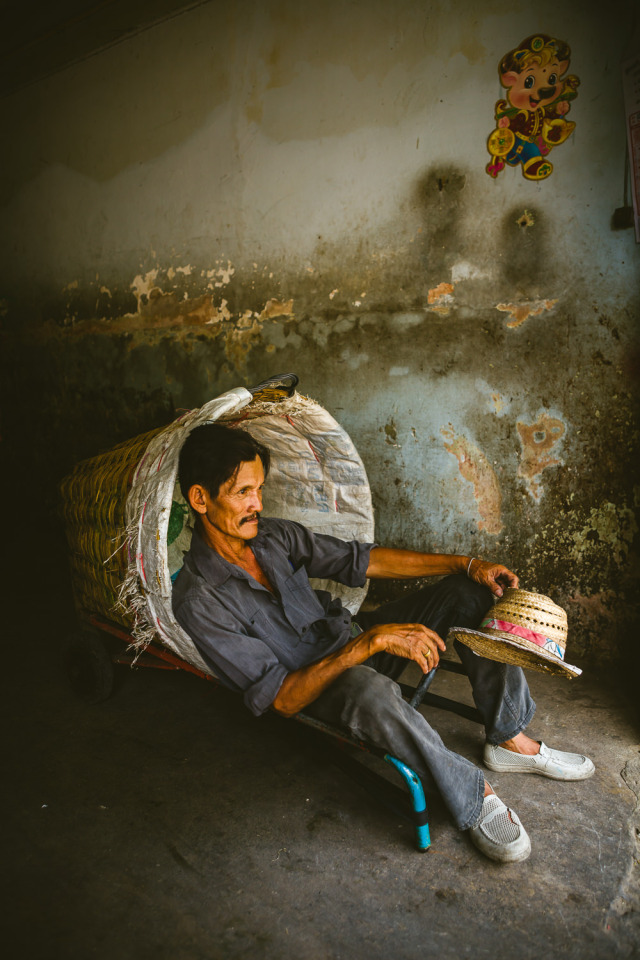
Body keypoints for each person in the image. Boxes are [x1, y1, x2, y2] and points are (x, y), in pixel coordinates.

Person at [172, 423, 594, 863]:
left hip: (355, 640)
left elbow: (362, 560)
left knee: (468, 592)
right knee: (369, 689)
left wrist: (466, 564)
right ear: (201, 498)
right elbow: (280, 699)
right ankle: (474, 795)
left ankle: (509, 737)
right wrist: (366, 646)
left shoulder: (273, 536)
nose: (257, 504)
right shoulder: (198, 599)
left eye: (259, 489)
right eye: (242, 492)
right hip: (322, 688)